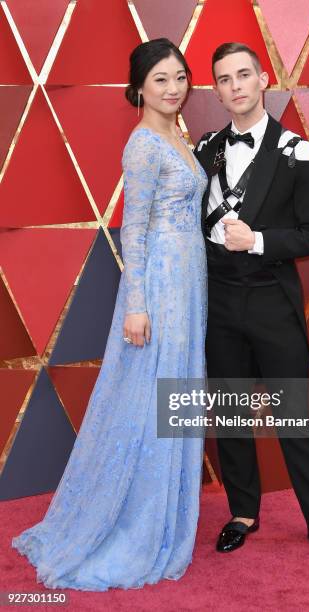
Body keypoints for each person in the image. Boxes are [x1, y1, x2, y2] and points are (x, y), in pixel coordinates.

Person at [11, 38, 208, 590]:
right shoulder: (145, 145)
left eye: (180, 77)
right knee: (149, 401)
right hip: (160, 290)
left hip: (189, 286)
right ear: (139, 87)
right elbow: (135, 231)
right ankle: (131, 523)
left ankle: (162, 512)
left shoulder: (178, 134)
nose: (173, 89)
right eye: (161, 80)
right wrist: (139, 306)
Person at [193, 42, 309, 563]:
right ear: (217, 89)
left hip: (273, 302)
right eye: (224, 79)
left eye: (244, 75)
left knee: (293, 416)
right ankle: (243, 513)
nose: (236, 85)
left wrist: (258, 240)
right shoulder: (204, 149)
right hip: (218, 302)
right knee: (232, 415)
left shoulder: (298, 150)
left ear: (263, 79)